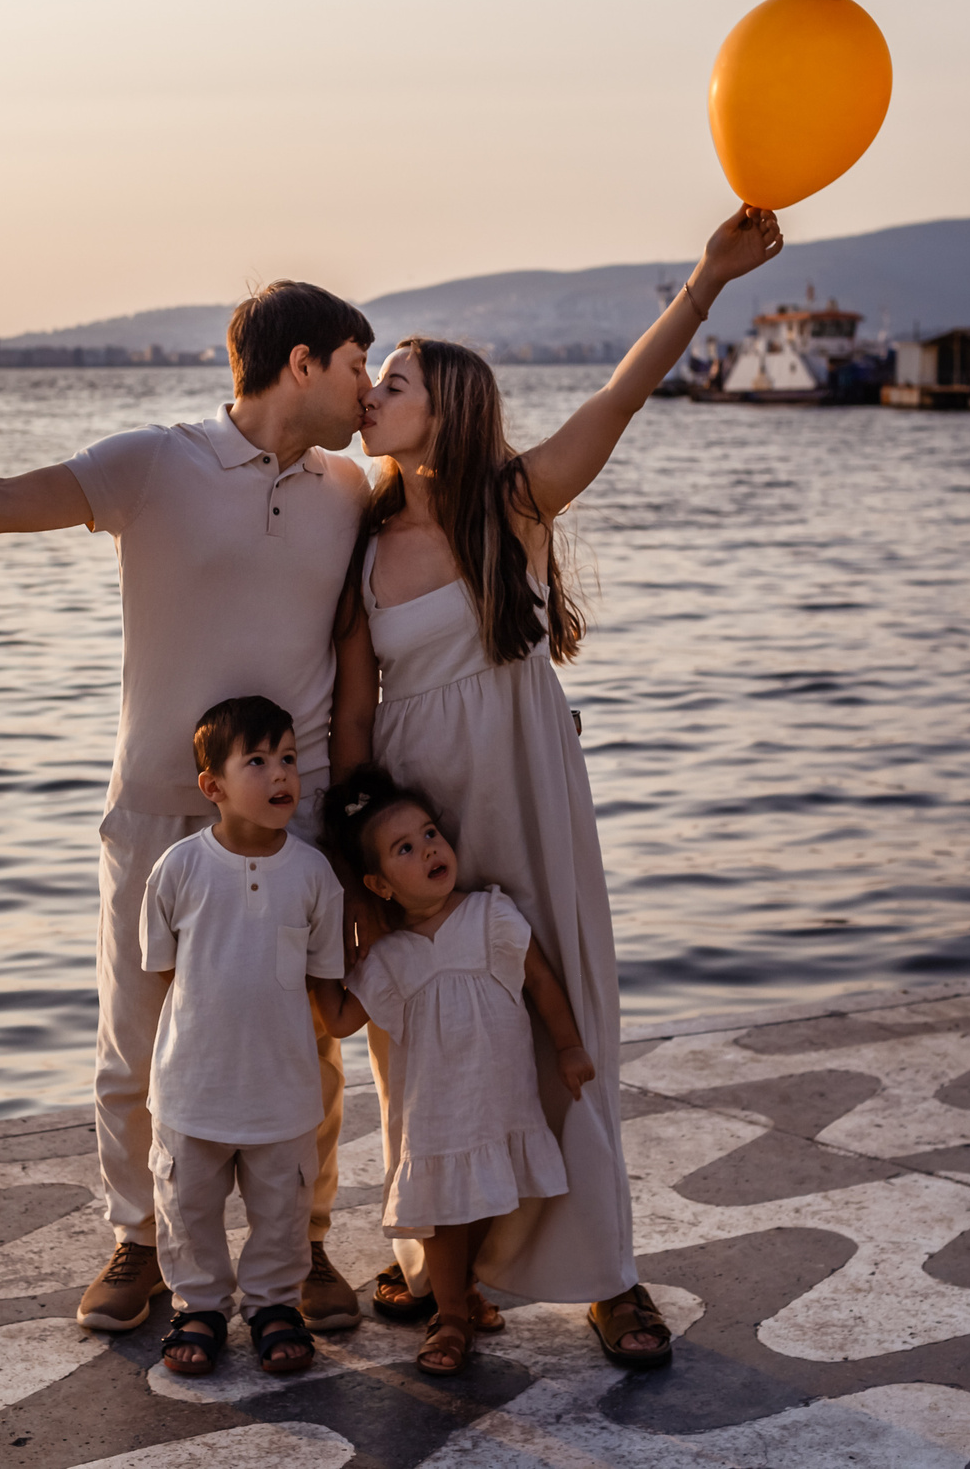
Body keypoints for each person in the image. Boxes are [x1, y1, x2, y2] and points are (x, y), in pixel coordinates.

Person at [0, 281, 376, 1334]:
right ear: (300, 364)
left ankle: (307, 1249)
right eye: (354, 364)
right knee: (137, 1037)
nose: (367, 388)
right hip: (160, 806)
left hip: (301, 815)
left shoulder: (350, 487)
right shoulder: (154, 463)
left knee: (308, 1041)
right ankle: (139, 1239)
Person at [331, 204, 782, 1367]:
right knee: (426, 1029)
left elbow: (619, 399)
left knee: (561, 1010)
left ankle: (605, 1275)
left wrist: (705, 281)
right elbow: (351, 712)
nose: (372, 394)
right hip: (414, 814)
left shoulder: (512, 505)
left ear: (447, 412)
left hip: (526, 790)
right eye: (370, 379)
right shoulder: (360, 537)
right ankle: (446, 1268)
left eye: (394, 380)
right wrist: (352, 854)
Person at [311, 764, 590, 1377]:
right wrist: (310, 948)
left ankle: (461, 1290)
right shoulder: (388, 956)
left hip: (498, 1098)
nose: (429, 848)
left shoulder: (491, 915)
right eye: (404, 849)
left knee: (491, 1193)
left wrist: (568, 1047)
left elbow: (540, 980)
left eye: (431, 833)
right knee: (440, 1207)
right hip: (434, 1112)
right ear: (380, 886)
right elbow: (336, 1019)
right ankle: (451, 1316)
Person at [142, 697, 345, 1377]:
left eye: (288, 757)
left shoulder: (313, 873)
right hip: (191, 1085)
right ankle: (197, 1304)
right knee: (188, 1203)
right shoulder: (178, 868)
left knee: (281, 1206)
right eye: (256, 760)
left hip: (283, 1090)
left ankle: (272, 1303)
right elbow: (168, 968)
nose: (279, 772)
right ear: (213, 786)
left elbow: (322, 978)